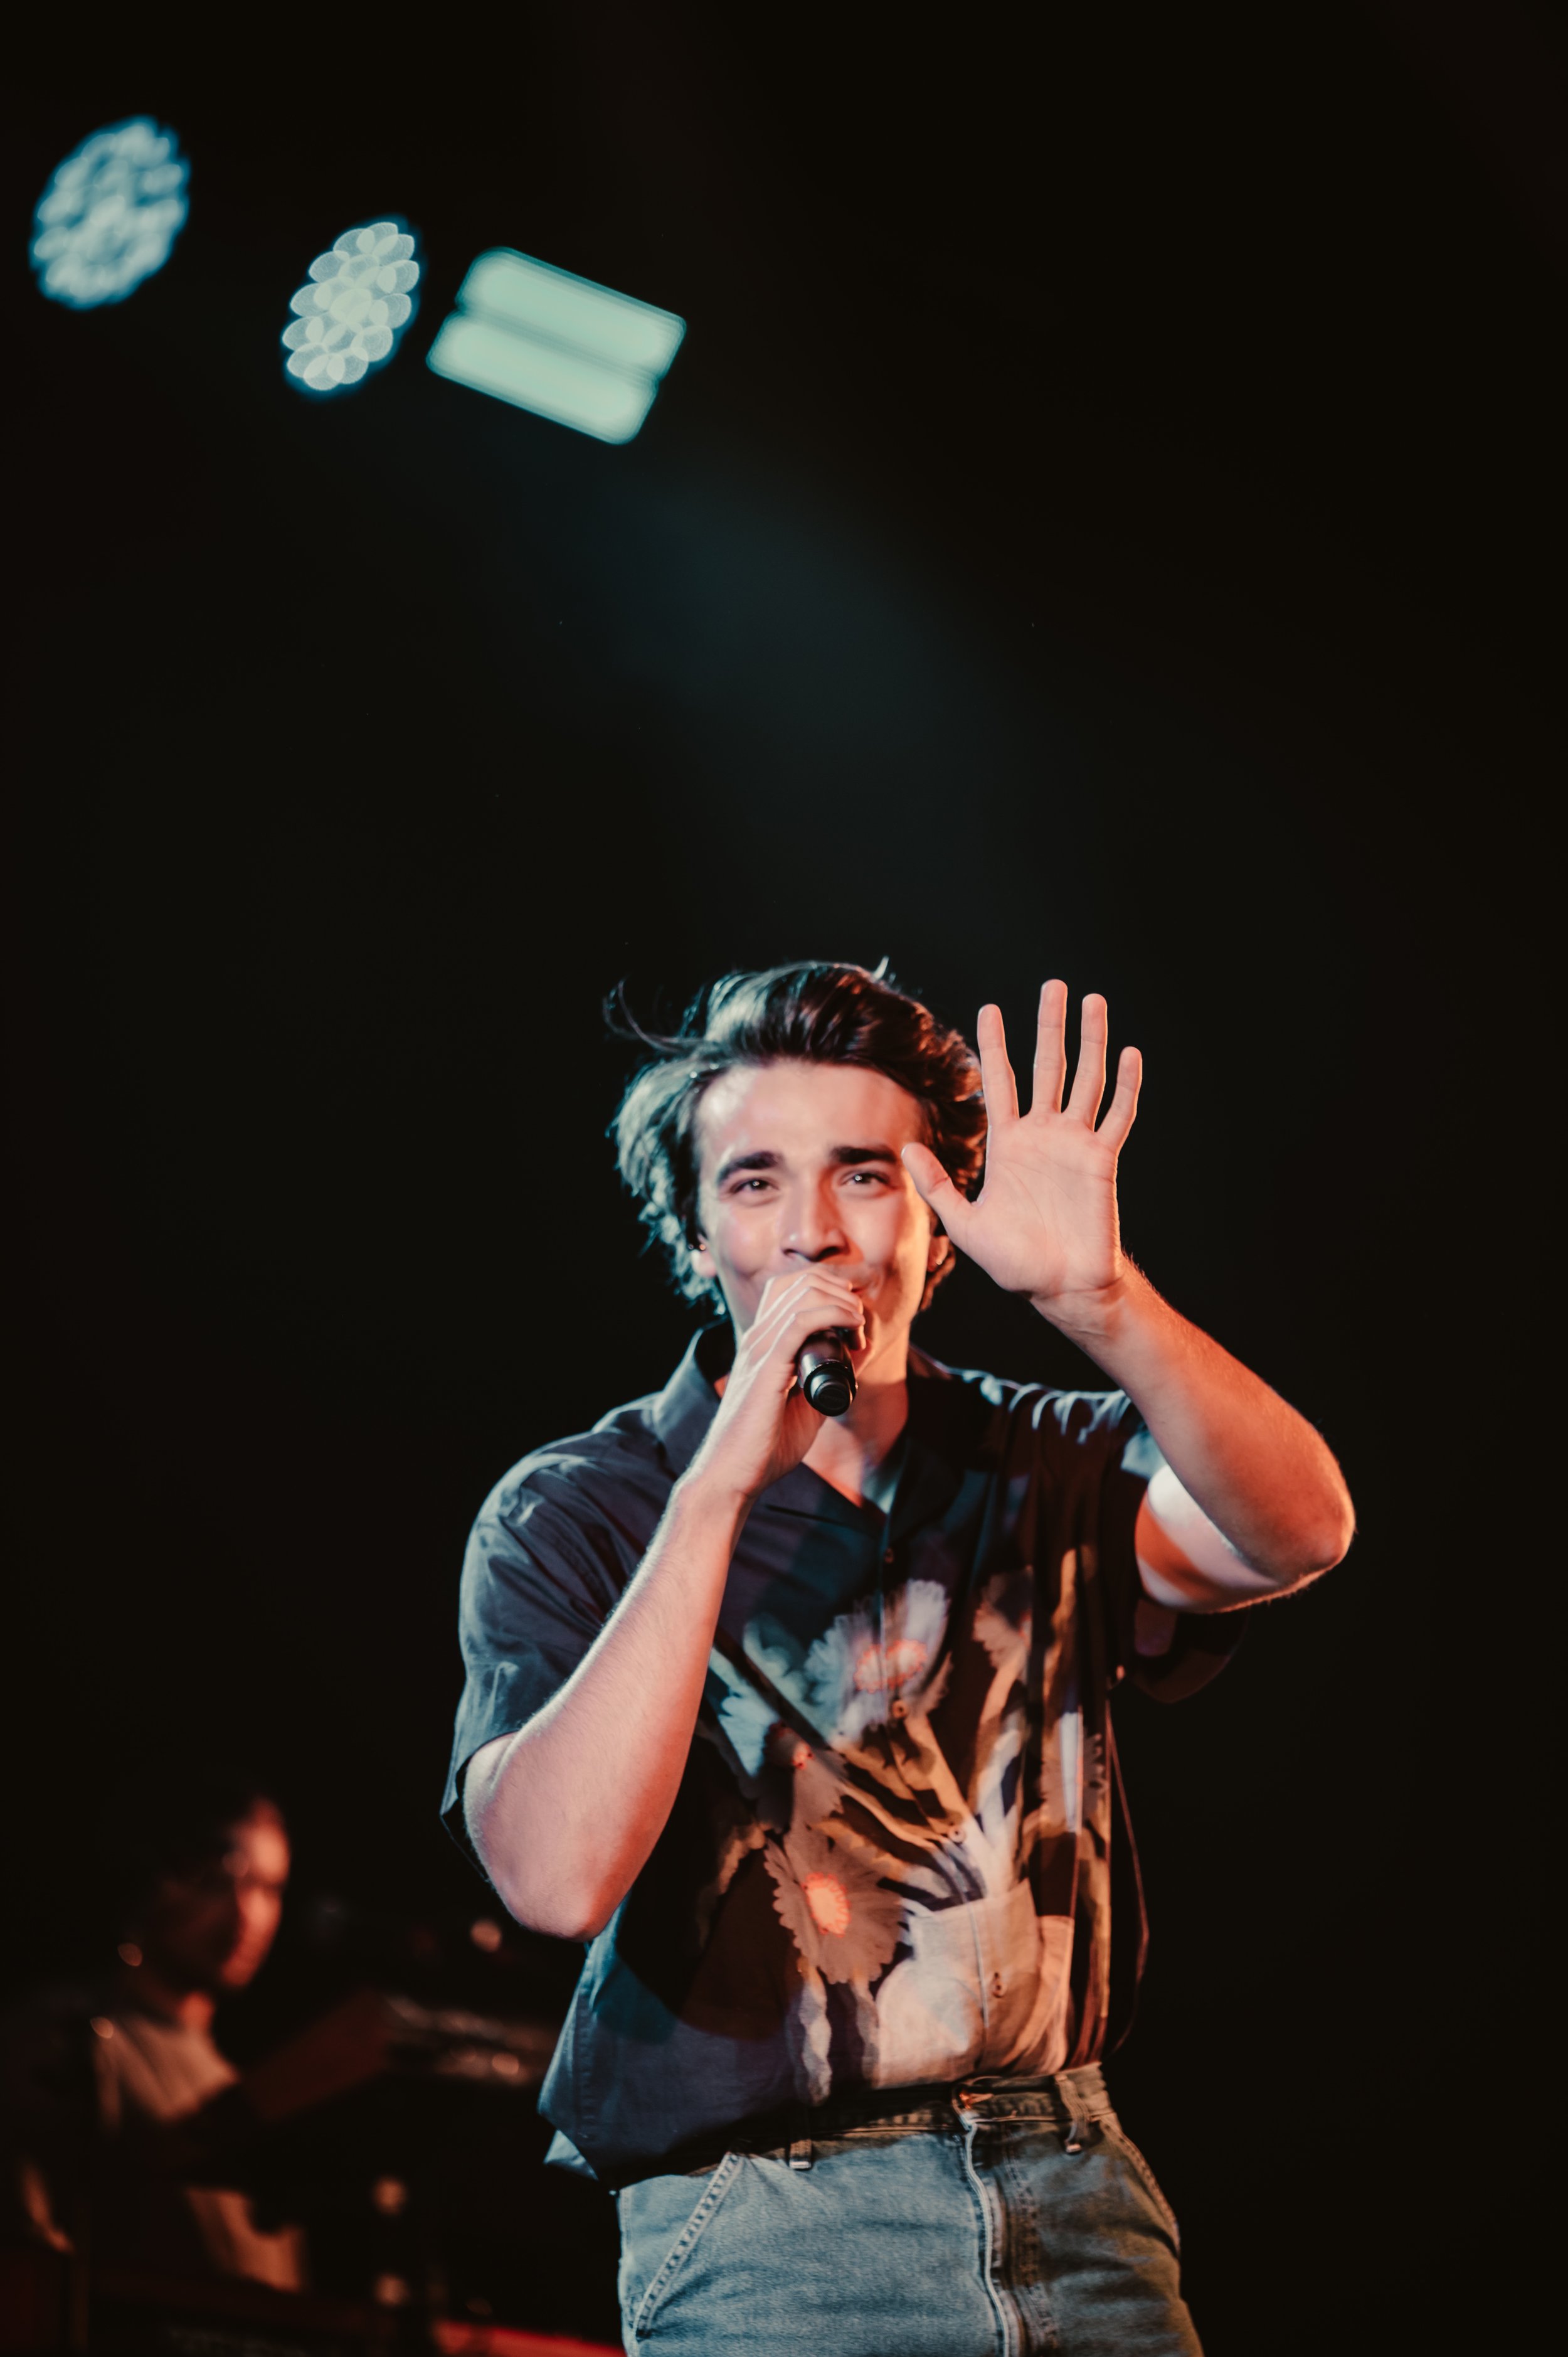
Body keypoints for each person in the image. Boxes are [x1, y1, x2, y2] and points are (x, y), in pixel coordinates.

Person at [442, 962, 1353, 2356]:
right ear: (695, 1233)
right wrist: (717, 1493)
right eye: (752, 1182)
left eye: (864, 1174)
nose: (812, 1231)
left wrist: (1103, 1301)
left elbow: (1298, 1530)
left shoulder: (1035, 1457)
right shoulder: (580, 1506)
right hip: (768, 2230)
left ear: (938, 1224)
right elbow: (556, 1878)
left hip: (1073, 2188)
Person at [1, 1782, 305, 2287]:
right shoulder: (67, 2040)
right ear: (156, 1879)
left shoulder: (248, 2088)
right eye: (218, 1880)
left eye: (269, 1888)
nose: (246, 1913)